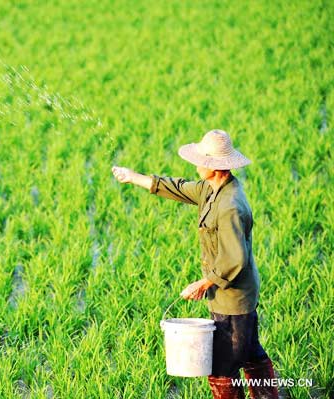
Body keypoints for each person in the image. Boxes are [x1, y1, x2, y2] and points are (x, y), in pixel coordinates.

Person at [111, 130, 278, 399]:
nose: (196, 164)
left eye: (201, 160)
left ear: (215, 167)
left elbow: (235, 259)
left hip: (233, 299)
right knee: (250, 352)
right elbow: (175, 187)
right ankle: (270, 396)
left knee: (223, 367)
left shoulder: (230, 205)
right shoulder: (210, 189)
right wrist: (132, 177)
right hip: (227, 294)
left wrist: (204, 283)